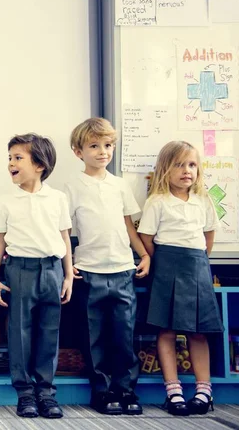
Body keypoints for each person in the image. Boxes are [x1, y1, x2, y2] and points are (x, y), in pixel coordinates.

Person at [64, 118, 149, 415]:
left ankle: (126, 390)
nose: (103, 152)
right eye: (95, 146)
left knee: (124, 334)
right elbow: (64, 229)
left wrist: (144, 255)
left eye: (108, 145)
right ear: (79, 152)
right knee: (94, 335)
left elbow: (128, 225)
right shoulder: (71, 187)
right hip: (89, 271)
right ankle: (101, 391)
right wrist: (69, 262)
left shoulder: (119, 185)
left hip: (123, 269)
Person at [0, 133, 73, 419]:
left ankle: (46, 393)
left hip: (51, 270)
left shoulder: (58, 198)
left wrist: (69, 276)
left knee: (49, 333)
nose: (11, 163)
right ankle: (25, 393)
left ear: (39, 165)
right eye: (9, 158)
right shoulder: (5, 200)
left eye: (18, 158)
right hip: (19, 270)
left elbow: (65, 238)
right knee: (20, 332)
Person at [138, 140, 223, 416]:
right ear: (165, 168)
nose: (187, 170)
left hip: (197, 267)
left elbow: (208, 238)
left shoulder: (203, 201)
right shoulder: (157, 202)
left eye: (192, 165)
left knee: (198, 331)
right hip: (166, 267)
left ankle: (203, 391)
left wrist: (197, 261)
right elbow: (146, 238)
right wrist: (164, 261)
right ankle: (173, 391)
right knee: (167, 330)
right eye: (179, 164)